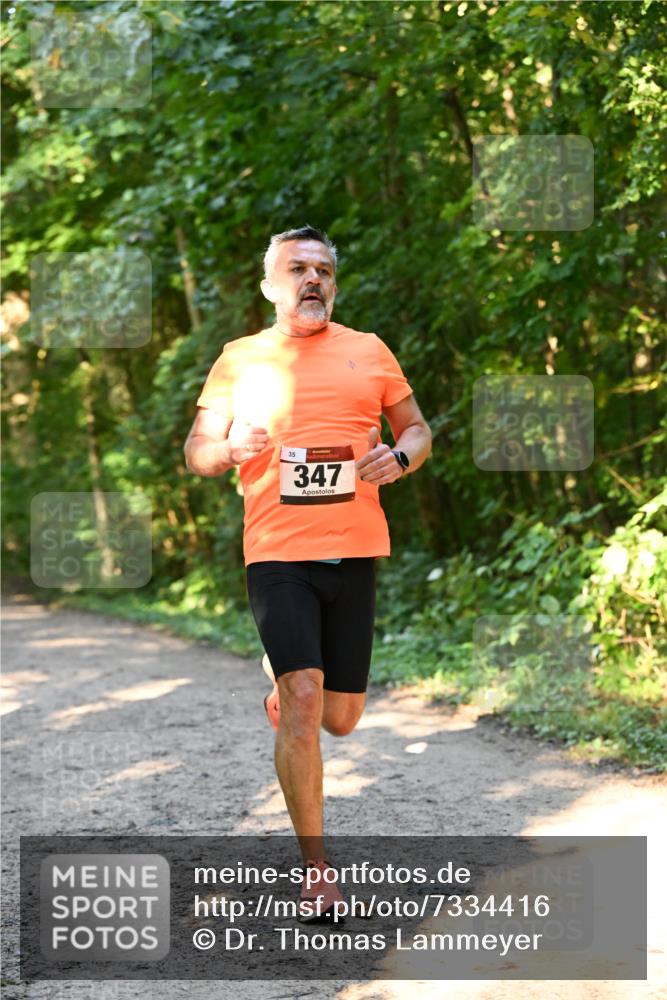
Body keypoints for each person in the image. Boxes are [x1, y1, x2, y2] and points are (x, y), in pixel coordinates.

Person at [184, 225, 432, 921]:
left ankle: (289, 689)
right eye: (297, 268)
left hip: (355, 550)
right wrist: (227, 447)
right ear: (271, 286)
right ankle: (317, 873)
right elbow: (197, 449)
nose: (312, 278)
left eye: (322, 269)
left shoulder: (369, 350)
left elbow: (417, 429)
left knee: (341, 719)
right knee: (302, 696)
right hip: (276, 552)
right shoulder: (239, 359)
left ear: (334, 284)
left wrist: (400, 458)